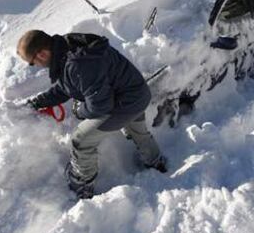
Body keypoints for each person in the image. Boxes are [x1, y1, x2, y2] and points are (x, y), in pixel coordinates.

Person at [16, 30, 167, 199]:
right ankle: (155, 161)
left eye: (32, 62)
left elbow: (100, 107)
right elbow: (67, 86)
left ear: (42, 54)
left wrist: (79, 110)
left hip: (124, 103)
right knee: (137, 130)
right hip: (137, 93)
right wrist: (38, 102)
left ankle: (82, 184)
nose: (35, 65)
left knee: (81, 140)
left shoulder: (77, 63)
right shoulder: (67, 49)